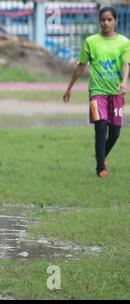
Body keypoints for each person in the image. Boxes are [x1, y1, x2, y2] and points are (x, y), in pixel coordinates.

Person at [63, 7, 130, 177]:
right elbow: (80, 66)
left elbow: (126, 64)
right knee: (100, 127)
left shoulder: (124, 42)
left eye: (109, 20)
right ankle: (100, 168)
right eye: (103, 20)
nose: (106, 23)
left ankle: (101, 155)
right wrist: (69, 88)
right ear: (99, 21)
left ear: (115, 21)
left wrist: (124, 82)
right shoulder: (91, 42)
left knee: (115, 132)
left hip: (116, 93)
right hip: (96, 92)